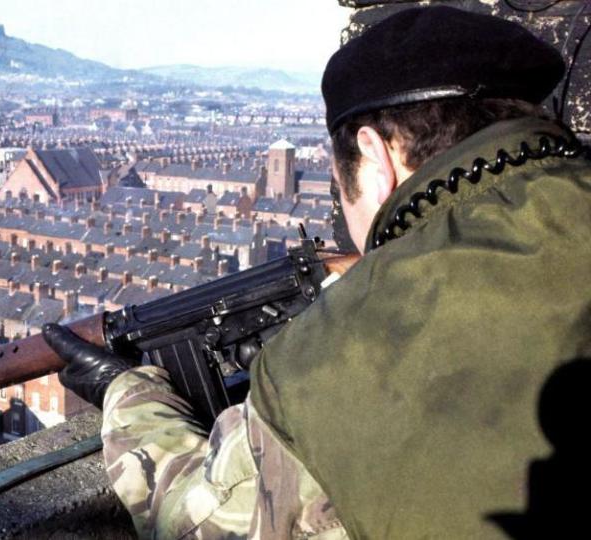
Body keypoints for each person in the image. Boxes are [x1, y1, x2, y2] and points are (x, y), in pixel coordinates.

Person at [44, 6, 591, 538]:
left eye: (339, 182)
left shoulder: (339, 352)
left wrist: (127, 392)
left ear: (376, 157)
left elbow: (196, 523)